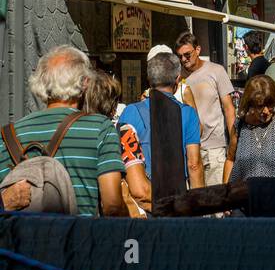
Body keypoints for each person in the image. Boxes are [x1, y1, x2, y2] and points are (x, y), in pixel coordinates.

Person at [0, 45, 126, 217]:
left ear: (40, 82)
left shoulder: (8, 135)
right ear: (85, 83)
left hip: (22, 240)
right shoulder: (101, 129)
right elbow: (113, 205)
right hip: (80, 239)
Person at [120, 53, 204, 196]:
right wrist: (199, 204)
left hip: (144, 195)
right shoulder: (188, 113)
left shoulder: (130, 112)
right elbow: (194, 164)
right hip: (177, 194)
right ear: (177, 80)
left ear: (149, 80)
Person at [84, 69, 151, 216]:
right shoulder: (122, 132)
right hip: (113, 222)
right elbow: (140, 191)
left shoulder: (71, 129)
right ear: (113, 105)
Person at [175, 32, 236, 186]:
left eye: (187, 55)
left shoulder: (216, 71)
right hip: (189, 149)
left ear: (198, 50)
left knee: (218, 203)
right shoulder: (178, 78)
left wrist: (234, 142)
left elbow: (229, 108)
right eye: (180, 56)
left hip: (215, 149)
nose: (184, 60)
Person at [223, 75, 275, 185]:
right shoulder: (239, 126)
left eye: (270, 104)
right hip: (243, 198)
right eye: (260, 106)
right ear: (250, 104)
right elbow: (230, 160)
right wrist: (225, 191)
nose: (266, 111)